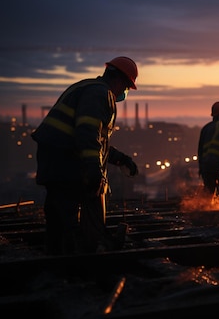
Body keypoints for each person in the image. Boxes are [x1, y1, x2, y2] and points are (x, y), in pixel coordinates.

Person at [31, 56, 139, 255]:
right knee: (68, 216)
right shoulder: (101, 94)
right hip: (65, 159)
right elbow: (87, 133)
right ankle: (73, 264)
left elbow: (95, 141)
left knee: (58, 213)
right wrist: (93, 169)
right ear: (119, 81)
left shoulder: (86, 87)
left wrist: (121, 159)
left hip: (56, 156)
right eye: (125, 88)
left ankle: (56, 259)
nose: (123, 94)